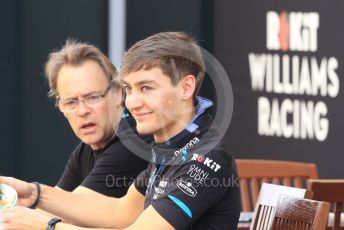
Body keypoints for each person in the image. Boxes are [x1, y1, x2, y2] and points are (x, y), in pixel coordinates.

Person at [0, 32, 241, 230]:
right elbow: (121, 212)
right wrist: (33, 194)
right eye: (129, 89)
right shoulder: (171, 145)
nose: (133, 102)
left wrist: (47, 226)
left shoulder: (205, 158)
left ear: (186, 87)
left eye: (146, 88)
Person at [44, 40, 148, 198]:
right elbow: (52, 206)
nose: (83, 111)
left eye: (92, 97)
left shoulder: (134, 143)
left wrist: (31, 194)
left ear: (117, 94)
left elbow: (72, 208)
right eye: (71, 102)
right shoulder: (84, 151)